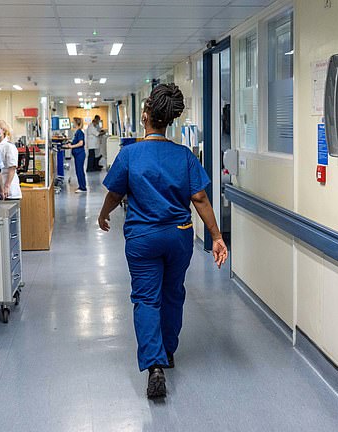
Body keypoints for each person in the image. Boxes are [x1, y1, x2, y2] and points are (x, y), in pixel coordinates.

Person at [98, 83, 229, 399]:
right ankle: (168, 351)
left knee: (146, 298)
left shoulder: (130, 154)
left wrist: (103, 215)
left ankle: (154, 364)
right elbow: (199, 197)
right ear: (169, 120)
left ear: (145, 117)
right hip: (179, 236)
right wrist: (216, 236)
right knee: (173, 294)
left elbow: (115, 193)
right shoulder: (183, 155)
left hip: (143, 238)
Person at [0, 119, 22, 200]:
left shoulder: (9, 146)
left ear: (3, 130)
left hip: (9, 190)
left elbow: (12, 168)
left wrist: (7, 186)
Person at [64, 117, 87, 193]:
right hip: (78, 154)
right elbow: (76, 141)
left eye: (73, 122)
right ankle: (82, 186)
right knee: (78, 170)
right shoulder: (77, 132)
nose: (72, 124)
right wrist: (70, 143)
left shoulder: (80, 132)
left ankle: (83, 188)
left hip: (80, 154)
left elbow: (81, 143)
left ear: (76, 123)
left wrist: (71, 146)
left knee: (79, 171)